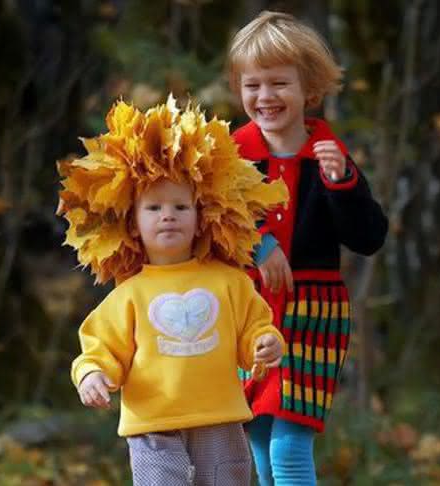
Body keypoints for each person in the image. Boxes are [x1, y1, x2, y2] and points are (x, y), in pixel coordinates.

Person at [58, 97, 288, 485]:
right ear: (133, 225)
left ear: (202, 219)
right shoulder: (128, 295)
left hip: (220, 415)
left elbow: (254, 327)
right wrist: (92, 374)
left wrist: (266, 342)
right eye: (154, 209)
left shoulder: (228, 281)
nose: (168, 215)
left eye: (181, 207)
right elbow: (101, 348)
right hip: (152, 424)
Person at [225, 10, 389, 485]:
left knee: (290, 444)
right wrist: (260, 245)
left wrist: (342, 183)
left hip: (312, 311)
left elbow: (369, 237)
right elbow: (212, 225)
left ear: (309, 89)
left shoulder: (327, 156)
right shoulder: (228, 158)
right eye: (252, 85)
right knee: (256, 434)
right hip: (249, 308)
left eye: (279, 83)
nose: (265, 97)